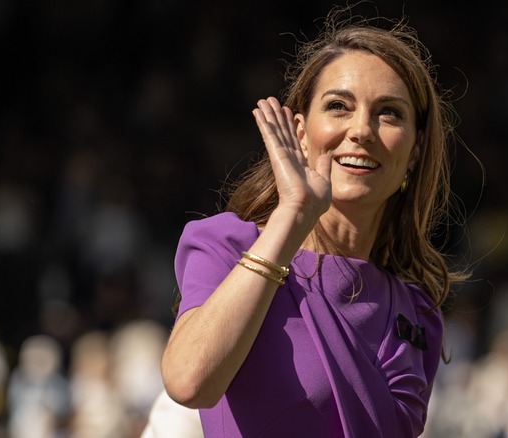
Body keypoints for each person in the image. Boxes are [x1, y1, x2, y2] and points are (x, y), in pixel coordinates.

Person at [161, 5, 469, 437]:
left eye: (390, 113)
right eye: (339, 106)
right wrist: (293, 214)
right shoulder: (223, 244)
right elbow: (189, 381)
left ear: (415, 151)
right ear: (301, 134)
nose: (362, 130)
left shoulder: (418, 313)